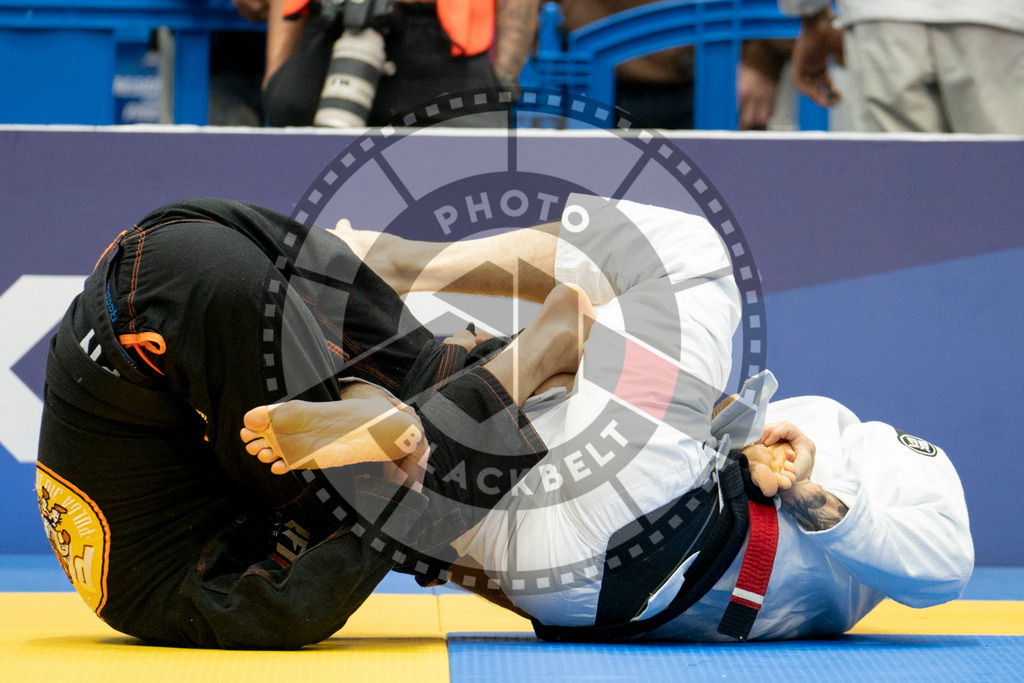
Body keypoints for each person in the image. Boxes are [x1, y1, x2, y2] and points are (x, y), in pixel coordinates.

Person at [258, 194, 974, 641]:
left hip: (659, 534)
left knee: (687, 256)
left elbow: (945, 569)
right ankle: (407, 424)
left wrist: (811, 496)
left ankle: (397, 264)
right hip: (582, 595)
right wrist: (462, 564)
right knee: (509, 400)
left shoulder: (900, 473)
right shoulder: (816, 574)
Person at [34, 197, 594, 649]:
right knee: (397, 442)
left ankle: (525, 355)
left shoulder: (192, 598)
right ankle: (380, 366)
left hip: (171, 320)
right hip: (185, 236)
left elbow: (397, 525)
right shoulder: (164, 570)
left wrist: (416, 506)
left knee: (375, 503)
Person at [262, 0, 540, 127]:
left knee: (463, 207)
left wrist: (502, 78)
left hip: (444, 53)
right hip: (327, 33)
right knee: (298, 208)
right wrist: (276, 76)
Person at [780, 0, 1024, 134]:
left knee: (901, 192)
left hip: (883, 17)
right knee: (1003, 185)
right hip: (998, 17)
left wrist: (811, 16)